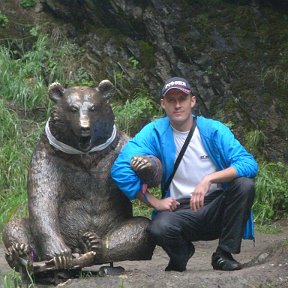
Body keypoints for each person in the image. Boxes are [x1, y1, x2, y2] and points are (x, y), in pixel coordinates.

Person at [111, 77, 258, 272]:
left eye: (182, 98)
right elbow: (120, 168)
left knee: (244, 185)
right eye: (171, 100)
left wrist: (209, 179)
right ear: (163, 104)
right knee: (158, 228)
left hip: (216, 206)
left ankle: (223, 254)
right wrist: (154, 201)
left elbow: (248, 163)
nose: (177, 105)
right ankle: (181, 253)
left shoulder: (213, 130)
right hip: (178, 210)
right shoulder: (154, 132)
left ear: (193, 101)